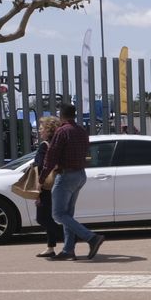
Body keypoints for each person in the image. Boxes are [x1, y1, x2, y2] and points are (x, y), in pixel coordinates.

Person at [41, 103, 104, 261]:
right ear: (74, 115)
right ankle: (68, 250)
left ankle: (91, 237)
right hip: (80, 175)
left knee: (58, 214)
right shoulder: (81, 131)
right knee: (67, 214)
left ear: (61, 115)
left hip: (66, 175)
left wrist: (42, 178)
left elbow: (51, 156)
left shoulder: (62, 131)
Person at [33, 116, 64, 258]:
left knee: (42, 218)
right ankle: (50, 247)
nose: (39, 130)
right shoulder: (60, 144)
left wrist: (37, 188)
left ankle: (71, 236)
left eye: (41, 128)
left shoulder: (44, 145)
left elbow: (40, 166)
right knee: (51, 216)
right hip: (59, 182)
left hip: (46, 184)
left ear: (48, 130)